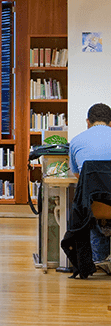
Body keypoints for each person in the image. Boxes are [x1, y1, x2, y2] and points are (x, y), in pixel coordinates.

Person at [68, 103, 111, 272]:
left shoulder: (76, 140)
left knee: (88, 204)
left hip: (93, 207)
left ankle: (97, 258)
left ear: (88, 121)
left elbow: (78, 176)